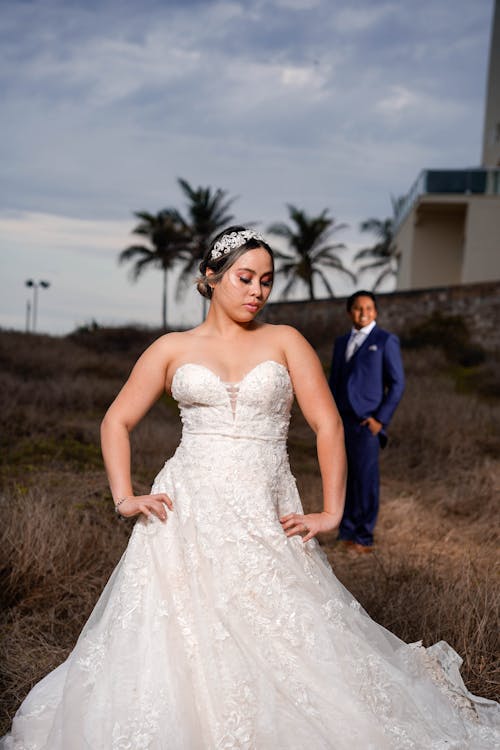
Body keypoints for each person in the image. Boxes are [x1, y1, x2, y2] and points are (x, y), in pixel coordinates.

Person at [2, 227, 498, 749]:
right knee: (179, 638)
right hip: (186, 514)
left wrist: (332, 512)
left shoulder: (285, 341)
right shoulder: (173, 347)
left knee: (286, 633)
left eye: (266, 280)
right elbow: (115, 422)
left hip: (266, 509)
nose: (257, 291)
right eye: (245, 278)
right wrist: (125, 497)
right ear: (212, 277)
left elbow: (327, 425)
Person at [329, 290, 405, 553]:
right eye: (359, 308)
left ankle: (364, 536)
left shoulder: (385, 340)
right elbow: (335, 382)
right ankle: (347, 531)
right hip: (342, 421)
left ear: (376, 311)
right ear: (350, 311)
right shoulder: (341, 343)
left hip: (366, 423)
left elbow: (397, 384)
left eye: (369, 308)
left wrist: (380, 420)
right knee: (343, 476)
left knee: (365, 479)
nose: (364, 313)